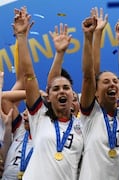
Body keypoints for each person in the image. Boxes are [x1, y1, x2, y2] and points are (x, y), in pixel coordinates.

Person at [13, 6, 83, 180]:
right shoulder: (40, 116)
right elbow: (29, 75)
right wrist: (22, 37)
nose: (62, 91)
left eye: (66, 88)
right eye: (56, 89)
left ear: (73, 94)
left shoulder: (83, 126)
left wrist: (60, 53)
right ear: (48, 97)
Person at [78, 8, 119, 180]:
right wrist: (90, 37)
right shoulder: (90, 113)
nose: (112, 84)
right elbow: (89, 77)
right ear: (96, 92)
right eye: (106, 82)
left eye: (115, 82)